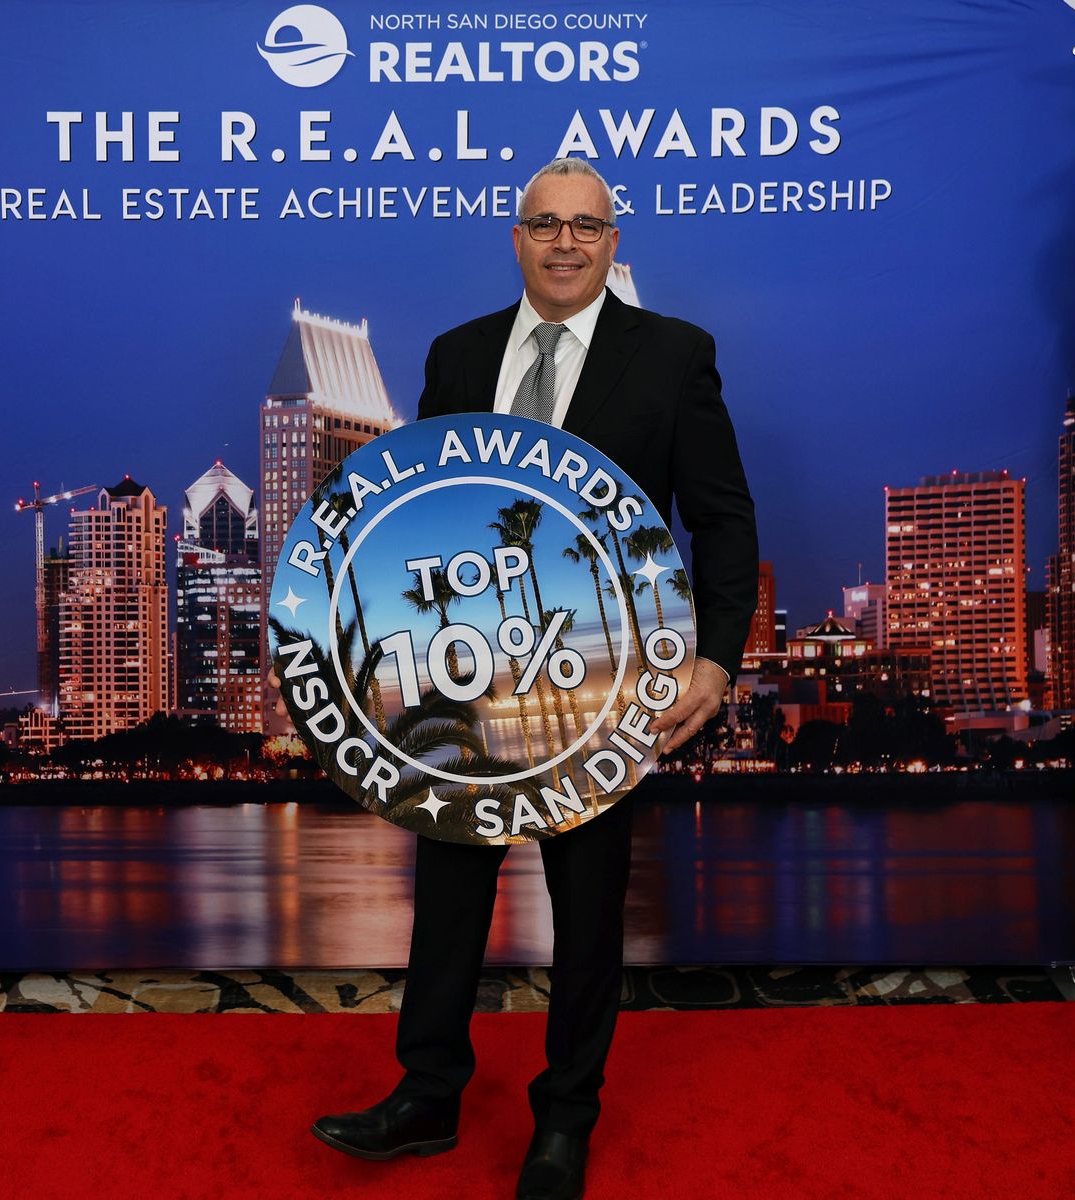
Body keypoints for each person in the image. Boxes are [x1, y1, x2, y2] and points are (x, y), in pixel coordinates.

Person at [308, 156, 759, 1200]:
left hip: (601, 679)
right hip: (463, 679)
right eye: (546, 224)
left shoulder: (675, 355)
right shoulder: (458, 355)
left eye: (586, 226)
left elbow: (723, 517)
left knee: (587, 906)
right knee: (448, 892)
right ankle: (427, 1095)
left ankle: (565, 1120)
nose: (565, 243)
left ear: (613, 241)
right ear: (516, 238)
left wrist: (718, 657)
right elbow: (419, 516)